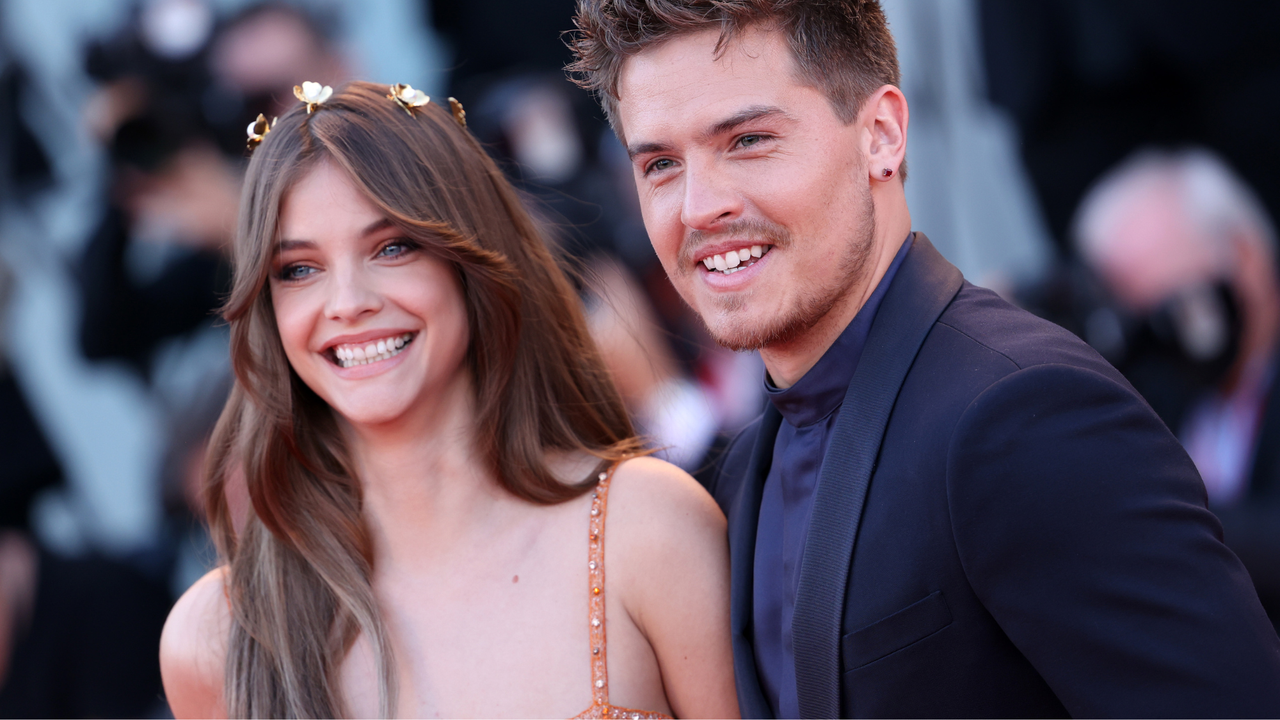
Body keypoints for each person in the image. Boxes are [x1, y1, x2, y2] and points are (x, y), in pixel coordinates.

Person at [567, 1, 1280, 717]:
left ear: (881, 135)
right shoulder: (747, 472)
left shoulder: (1023, 415)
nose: (698, 206)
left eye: (748, 140)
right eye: (660, 163)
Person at [158, 81, 737, 718]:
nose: (347, 302)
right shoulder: (218, 639)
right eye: (298, 269)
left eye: (393, 247)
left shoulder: (645, 525)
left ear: (471, 261)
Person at [1074, 148, 1280, 629]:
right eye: (1144, 321)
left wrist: (1153, 516)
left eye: (1179, 309)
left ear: (1245, 256)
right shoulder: (1169, 391)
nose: (1167, 340)